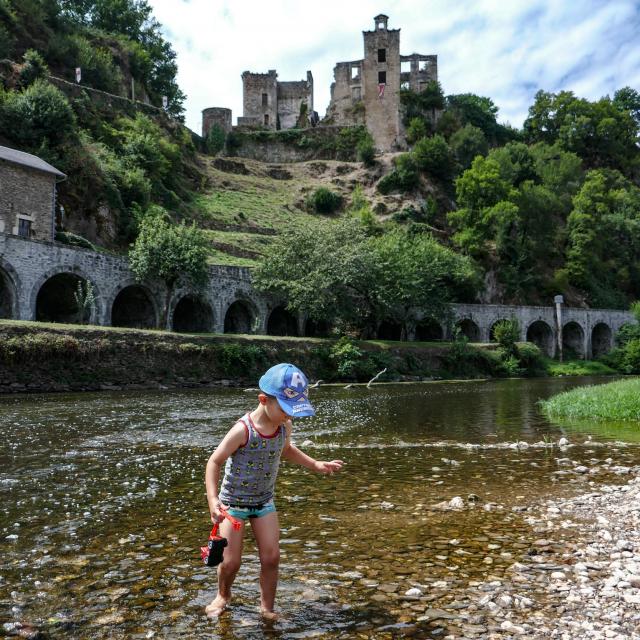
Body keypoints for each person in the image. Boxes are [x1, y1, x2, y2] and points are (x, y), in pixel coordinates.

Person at [204, 362, 344, 620]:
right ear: (263, 400)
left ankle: (267, 608)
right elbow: (214, 461)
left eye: (293, 411)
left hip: (264, 502)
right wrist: (213, 501)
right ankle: (223, 595)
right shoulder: (242, 430)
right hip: (232, 505)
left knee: (271, 557)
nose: (289, 416)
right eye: (285, 410)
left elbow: (286, 450)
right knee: (232, 561)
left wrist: (314, 464)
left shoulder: (283, 427)